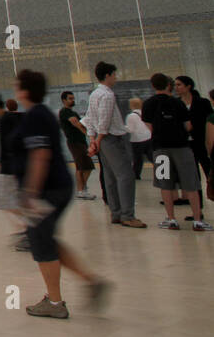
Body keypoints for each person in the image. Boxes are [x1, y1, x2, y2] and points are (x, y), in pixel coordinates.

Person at [12, 69, 108, 319]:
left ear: (24, 90)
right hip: (56, 187)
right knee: (47, 240)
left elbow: (40, 155)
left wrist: (30, 193)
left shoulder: (35, 116)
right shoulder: (42, 114)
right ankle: (90, 280)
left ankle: (55, 303)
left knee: (41, 243)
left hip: (48, 191)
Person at [142, 73, 210, 231]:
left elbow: (149, 127)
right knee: (191, 184)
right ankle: (198, 221)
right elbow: (188, 126)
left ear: (153, 86)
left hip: (160, 149)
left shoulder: (148, 104)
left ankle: (171, 219)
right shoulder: (177, 103)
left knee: (165, 184)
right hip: (182, 148)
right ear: (168, 85)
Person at [83, 61, 145, 228]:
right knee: (125, 175)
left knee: (110, 177)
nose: (116, 78)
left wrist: (92, 140)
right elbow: (104, 120)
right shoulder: (107, 95)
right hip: (110, 138)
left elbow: (89, 118)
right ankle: (127, 215)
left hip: (101, 139)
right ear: (108, 75)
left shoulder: (94, 94)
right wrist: (98, 139)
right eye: (114, 74)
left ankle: (116, 213)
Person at [0, 90, 28, 250]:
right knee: (6, 201)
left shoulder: (7, 120)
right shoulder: (14, 118)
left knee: (3, 201)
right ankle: (26, 227)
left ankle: (27, 226)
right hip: (12, 167)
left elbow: (10, 145)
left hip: (9, 168)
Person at [174, 75, 213, 213]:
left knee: (210, 172)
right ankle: (198, 210)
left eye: (179, 85)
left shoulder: (202, 103)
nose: (176, 87)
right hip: (185, 146)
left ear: (188, 86)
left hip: (202, 143)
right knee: (193, 178)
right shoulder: (176, 103)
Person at [57, 91, 95, 200]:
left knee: (86, 166)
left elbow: (80, 123)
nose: (73, 100)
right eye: (70, 98)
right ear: (64, 100)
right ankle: (81, 190)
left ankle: (82, 189)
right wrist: (88, 134)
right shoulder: (65, 112)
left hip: (80, 142)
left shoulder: (72, 112)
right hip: (75, 142)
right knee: (82, 166)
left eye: (73, 98)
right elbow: (76, 124)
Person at [126, 97, 153, 180]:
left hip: (137, 140)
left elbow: (131, 129)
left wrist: (122, 128)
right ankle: (164, 171)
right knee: (152, 157)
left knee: (138, 159)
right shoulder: (146, 113)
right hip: (148, 137)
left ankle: (136, 175)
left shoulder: (131, 116)